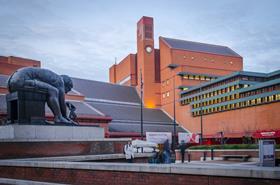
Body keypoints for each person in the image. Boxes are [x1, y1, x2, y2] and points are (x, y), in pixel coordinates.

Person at [7, 67, 76, 124]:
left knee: (46, 91)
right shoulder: (60, 80)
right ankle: (59, 118)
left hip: (11, 83)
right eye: (67, 90)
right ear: (67, 84)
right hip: (21, 80)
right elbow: (61, 101)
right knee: (53, 91)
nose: (65, 92)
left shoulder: (53, 77)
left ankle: (38, 118)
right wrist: (65, 117)